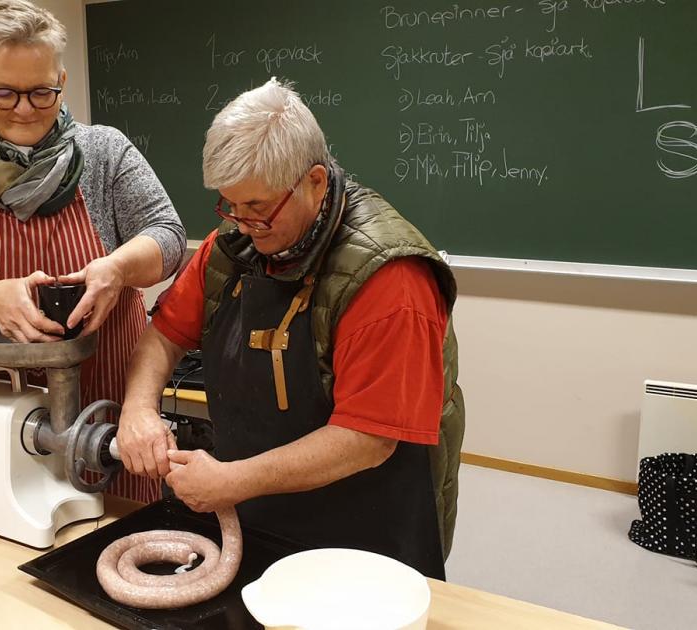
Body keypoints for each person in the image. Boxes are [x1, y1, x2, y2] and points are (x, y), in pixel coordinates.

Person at [117, 79, 465, 577]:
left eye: (258, 207)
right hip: (256, 498)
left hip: (366, 518)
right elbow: (164, 334)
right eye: (229, 205)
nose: (242, 223)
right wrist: (138, 409)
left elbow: (367, 439)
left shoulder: (391, 280)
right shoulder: (232, 243)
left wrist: (234, 480)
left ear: (316, 182)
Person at [0, 0, 185, 503]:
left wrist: (117, 268)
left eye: (41, 92)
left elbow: (168, 237)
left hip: (104, 393)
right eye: (4, 92)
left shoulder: (105, 152)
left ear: (62, 81)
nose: (24, 109)